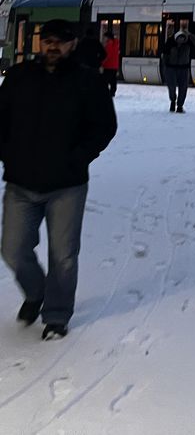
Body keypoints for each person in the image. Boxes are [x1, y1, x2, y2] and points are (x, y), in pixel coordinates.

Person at [0, 18, 117, 340]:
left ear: (72, 44)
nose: (53, 46)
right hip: (20, 183)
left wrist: (77, 158)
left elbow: (104, 127)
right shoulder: (19, 77)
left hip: (67, 185)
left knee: (63, 255)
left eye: (61, 41)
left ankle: (56, 315)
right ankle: (36, 293)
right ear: (40, 42)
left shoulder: (88, 82)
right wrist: (7, 153)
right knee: (12, 250)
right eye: (47, 40)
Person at [161, 22, 195, 113]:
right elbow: (165, 55)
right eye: (180, 39)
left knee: (183, 88)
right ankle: (173, 100)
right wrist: (165, 66)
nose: (181, 41)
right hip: (171, 68)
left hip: (184, 68)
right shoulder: (170, 42)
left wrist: (189, 34)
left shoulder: (188, 42)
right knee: (171, 87)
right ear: (176, 38)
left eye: (183, 39)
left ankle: (180, 106)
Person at [101, 29, 120, 97]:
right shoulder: (117, 44)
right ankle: (112, 92)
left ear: (108, 37)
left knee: (105, 80)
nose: (104, 39)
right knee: (113, 80)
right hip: (115, 66)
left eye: (105, 37)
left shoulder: (109, 44)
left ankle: (106, 92)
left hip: (108, 66)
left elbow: (106, 55)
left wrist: (101, 63)